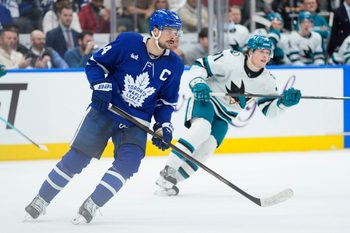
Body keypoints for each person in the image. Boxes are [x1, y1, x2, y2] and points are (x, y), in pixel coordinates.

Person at [24, 9, 184, 224]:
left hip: (137, 122)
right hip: (105, 111)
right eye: (169, 31)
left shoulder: (175, 64)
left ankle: (93, 203)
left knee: (129, 163)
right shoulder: (128, 42)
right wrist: (100, 84)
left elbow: (165, 102)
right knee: (76, 159)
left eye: (177, 32)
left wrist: (163, 125)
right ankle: (42, 199)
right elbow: (95, 63)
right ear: (155, 31)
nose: (174, 36)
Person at [154, 34, 301, 196]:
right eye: (261, 51)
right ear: (250, 52)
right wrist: (199, 83)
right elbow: (199, 65)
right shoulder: (231, 59)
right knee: (202, 128)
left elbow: (270, 112)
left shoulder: (266, 81)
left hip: (225, 117)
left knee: (208, 147)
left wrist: (283, 104)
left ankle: (171, 180)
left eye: (268, 52)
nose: (265, 56)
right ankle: (169, 168)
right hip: (207, 100)